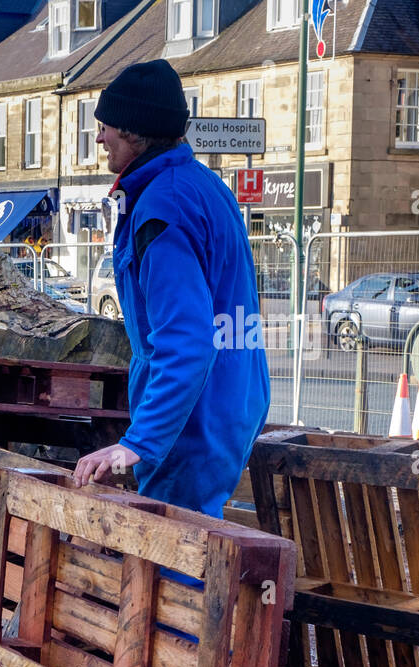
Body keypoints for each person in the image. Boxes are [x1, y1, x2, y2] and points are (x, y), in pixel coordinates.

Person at [71, 59, 270, 519]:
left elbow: (186, 341)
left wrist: (138, 443)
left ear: (136, 134)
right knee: (199, 536)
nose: (99, 138)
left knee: (175, 562)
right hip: (231, 396)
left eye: (106, 128)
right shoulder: (203, 185)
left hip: (193, 416)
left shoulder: (163, 206)